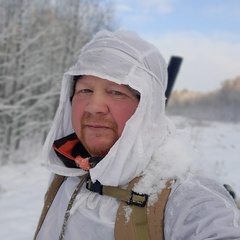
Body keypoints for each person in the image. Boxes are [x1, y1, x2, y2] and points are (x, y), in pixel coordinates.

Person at [34, 30, 240, 240]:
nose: (94, 106)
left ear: (147, 108)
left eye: (116, 92)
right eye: (85, 90)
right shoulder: (68, 169)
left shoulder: (184, 194)